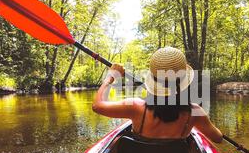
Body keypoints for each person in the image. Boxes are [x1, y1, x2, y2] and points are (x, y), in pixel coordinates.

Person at [92, 47, 223, 143]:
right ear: (184, 82)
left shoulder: (135, 107)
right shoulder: (195, 112)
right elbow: (217, 138)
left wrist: (110, 77)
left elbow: (97, 106)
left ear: (153, 81)